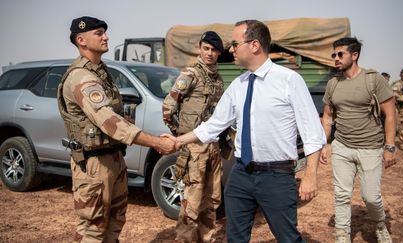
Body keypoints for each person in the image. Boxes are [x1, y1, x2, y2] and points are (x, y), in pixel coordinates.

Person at [170, 19, 326, 242]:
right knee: (236, 238)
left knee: (288, 238)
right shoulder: (238, 85)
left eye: (235, 44)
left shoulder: (289, 80)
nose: (230, 49)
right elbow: (214, 125)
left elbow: (312, 133)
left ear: (254, 45)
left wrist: (311, 176)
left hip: (277, 176)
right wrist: (178, 141)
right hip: (241, 175)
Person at [57, 16, 176, 242]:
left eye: (104, 32)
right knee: (94, 229)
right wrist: (158, 142)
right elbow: (109, 122)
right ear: (81, 40)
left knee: (114, 222)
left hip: (112, 158)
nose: (106, 36)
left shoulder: (101, 72)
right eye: (99, 33)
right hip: (93, 165)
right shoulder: (82, 77)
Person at [320, 37, 396, 243]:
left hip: (370, 147)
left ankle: (380, 225)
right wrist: (323, 144)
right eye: (333, 54)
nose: (336, 58)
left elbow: (390, 114)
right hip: (342, 147)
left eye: (340, 54)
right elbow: (327, 117)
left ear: (355, 55)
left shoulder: (373, 79)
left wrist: (390, 147)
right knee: (342, 195)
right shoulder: (333, 84)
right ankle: (342, 235)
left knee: (371, 197)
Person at [162, 31, 225, 242]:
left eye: (214, 50)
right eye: (206, 48)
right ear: (200, 48)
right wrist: (180, 135)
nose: (209, 53)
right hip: (194, 147)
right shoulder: (190, 74)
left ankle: (207, 237)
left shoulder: (217, 79)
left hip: (213, 146)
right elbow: (168, 107)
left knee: (213, 199)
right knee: (192, 202)